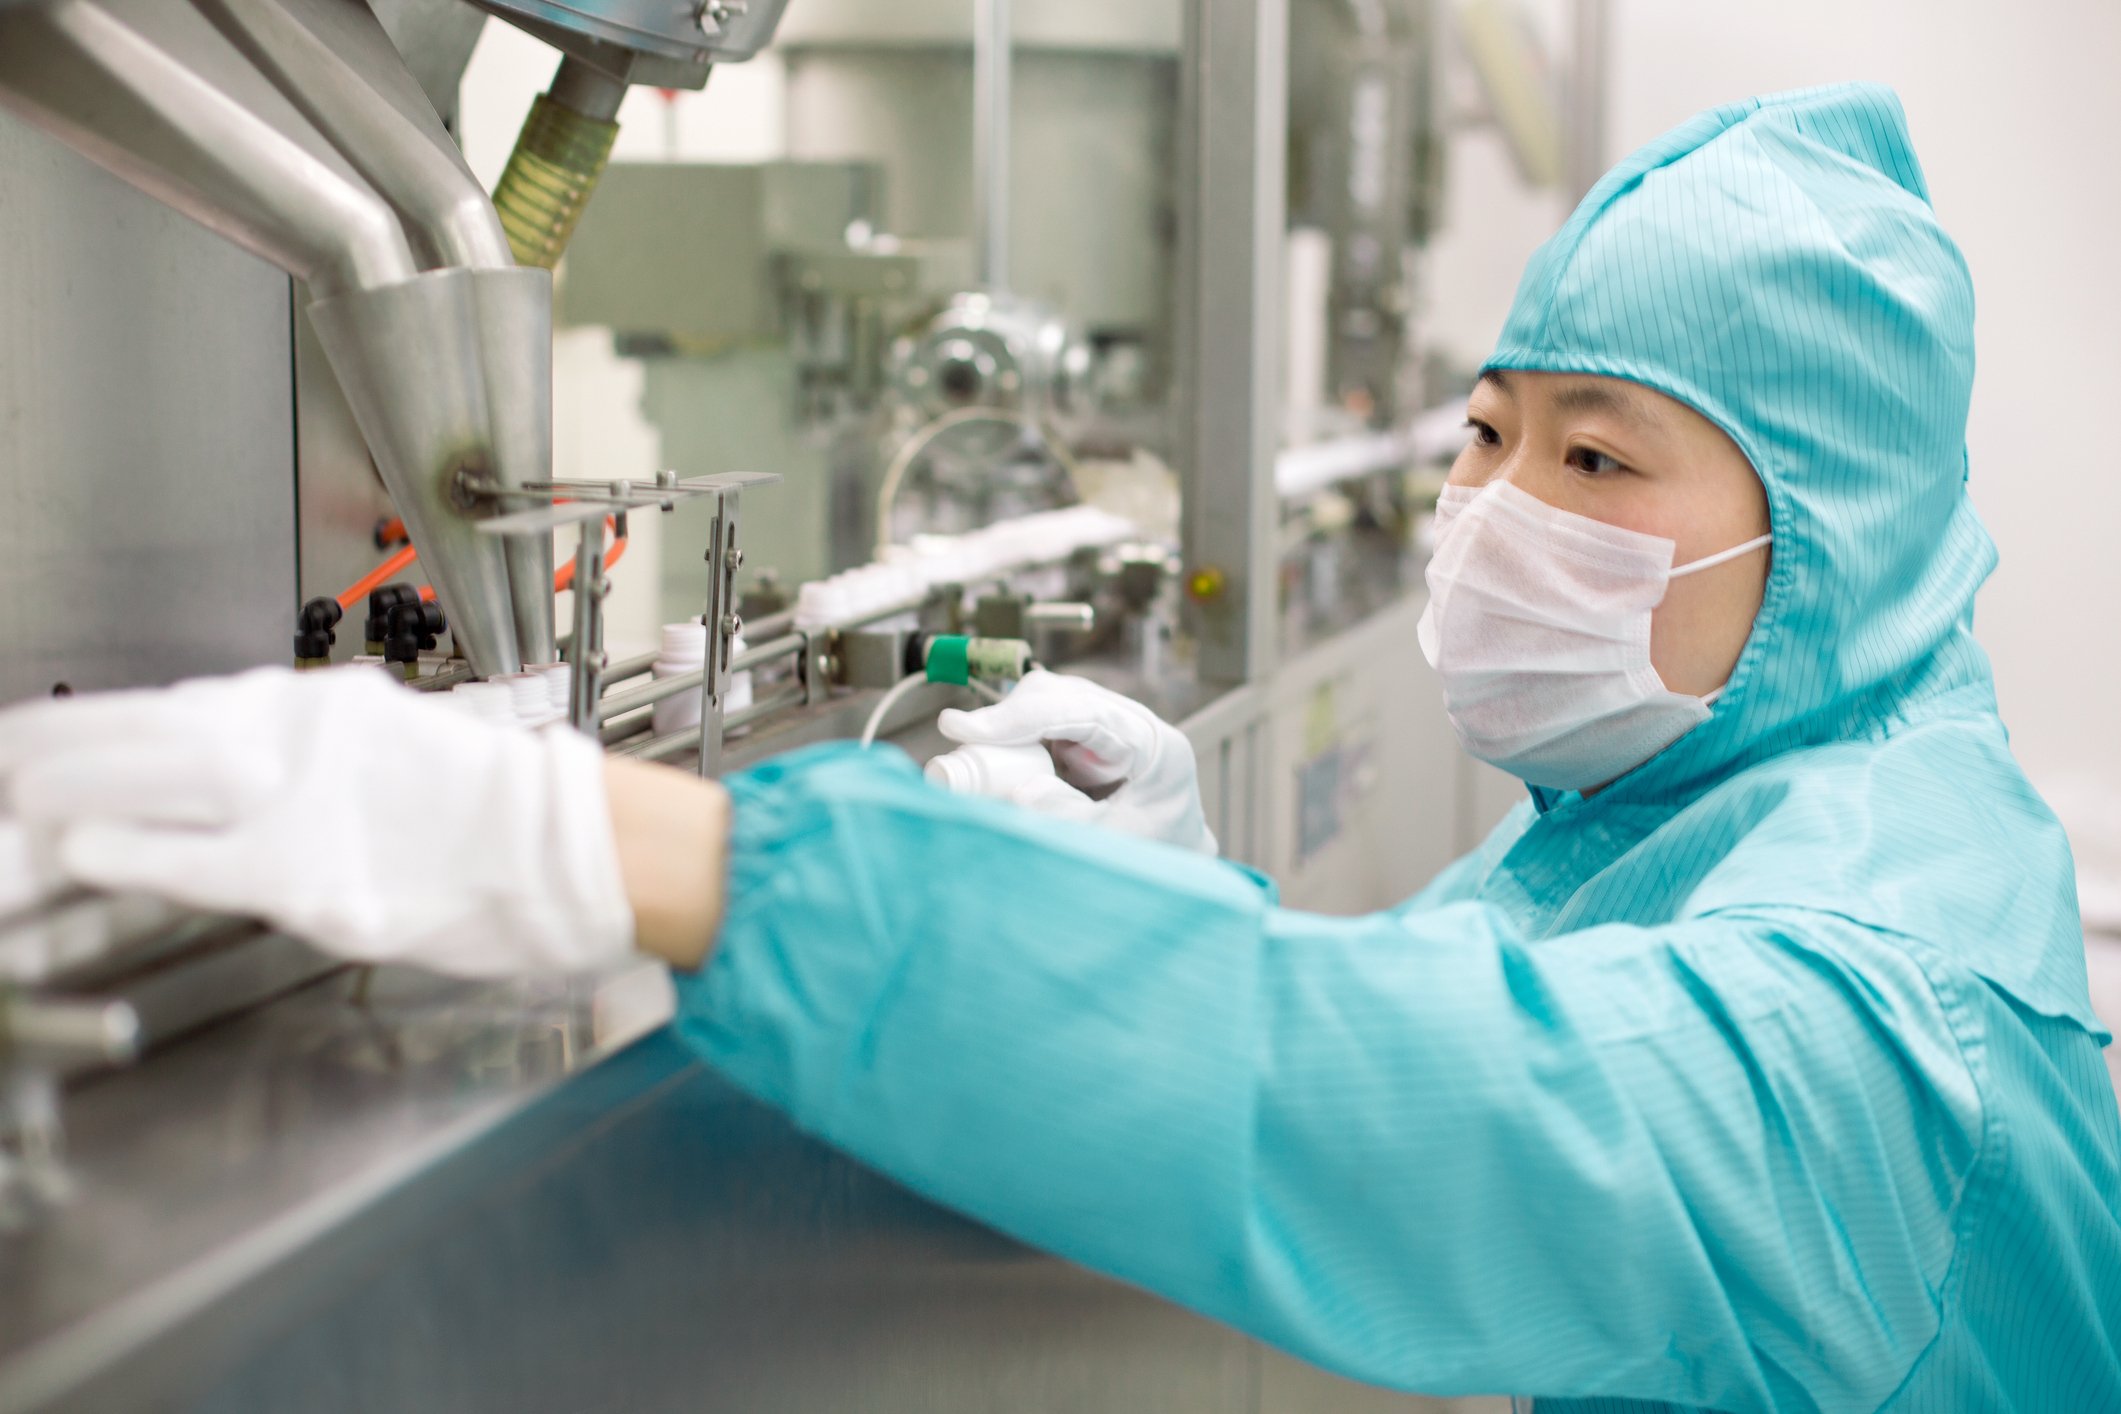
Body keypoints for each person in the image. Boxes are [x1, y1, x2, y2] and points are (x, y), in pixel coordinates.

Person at [3, 83, 2117, 1411]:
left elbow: (1445, 1113)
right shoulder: (1672, 805)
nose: (1494, 509)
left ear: (1822, 535)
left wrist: (657, 850)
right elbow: (1452, 1006)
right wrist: (1192, 904)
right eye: (1486, 433)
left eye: (1597, 456)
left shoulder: (1879, 1010)